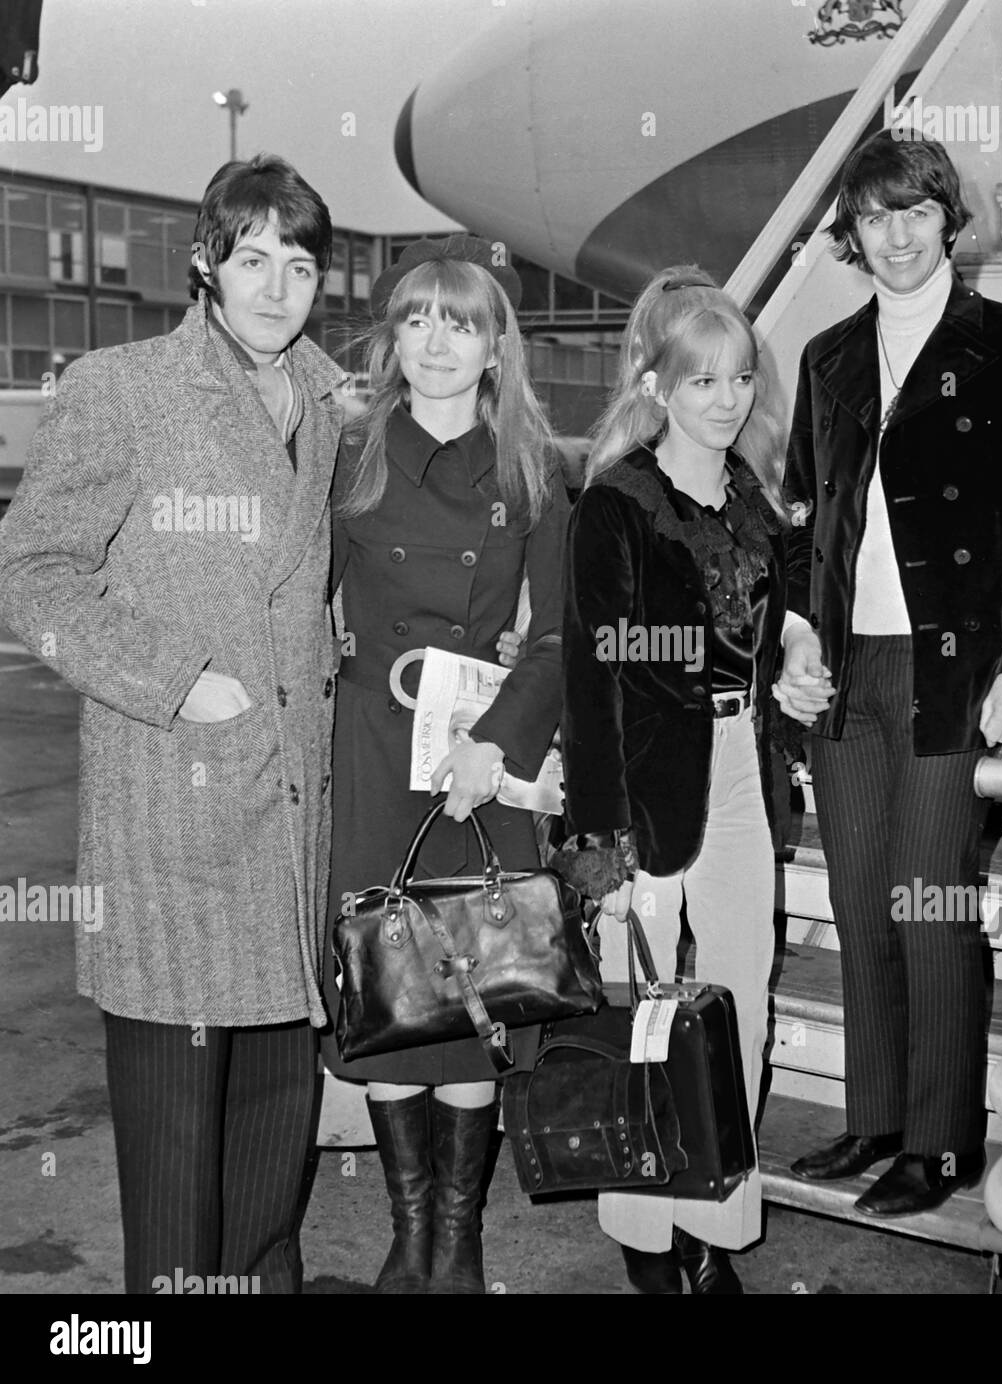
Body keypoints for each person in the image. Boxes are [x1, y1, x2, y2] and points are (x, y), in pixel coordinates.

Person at [0, 155, 346, 1292]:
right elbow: (32, 573)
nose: (277, 285)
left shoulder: (331, 402)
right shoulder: (123, 386)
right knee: (175, 1173)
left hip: (288, 824)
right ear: (206, 263)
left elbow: (308, 577)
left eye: (299, 263)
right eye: (253, 257)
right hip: (173, 821)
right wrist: (174, 677)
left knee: (268, 1151)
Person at [778, 132, 1002, 1215]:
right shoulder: (827, 357)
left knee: (929, 897)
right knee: (861, 901)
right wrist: (797, 638)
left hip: (953, 667)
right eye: (874, 219)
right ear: (850, 235)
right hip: (847, 667)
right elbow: (803, 522)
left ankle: (943, 1140)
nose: (897, 237)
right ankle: (874, 1117)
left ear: (947, 220)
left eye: (915, 214)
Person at [320, 236, 567, 1294]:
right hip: (377, 743)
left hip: (479, 749)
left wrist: (497, 743)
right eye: (415, 319)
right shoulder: (355, 449)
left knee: (473, 989)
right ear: (392, 337)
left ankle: (456, 1239)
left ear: (493, 346)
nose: (433, 341)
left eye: (457, 322)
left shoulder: (536, 466)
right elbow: (297, 595)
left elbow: (558, 633)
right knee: (387, 983)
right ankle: (409, 1227)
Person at [561, 267, 799, 1294]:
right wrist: (601, 845)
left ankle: (711, 1220)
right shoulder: (616, 504)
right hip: (648, 779)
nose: (726, 398)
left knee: (739, 1007)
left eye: (740, 377)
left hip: (742, 764)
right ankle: (646, 1239)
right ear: (657, 385)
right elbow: (592, 672)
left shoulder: (750, 494)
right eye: (702, 380)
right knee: (645, 1020)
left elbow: (757, 633)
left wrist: (788, 658)